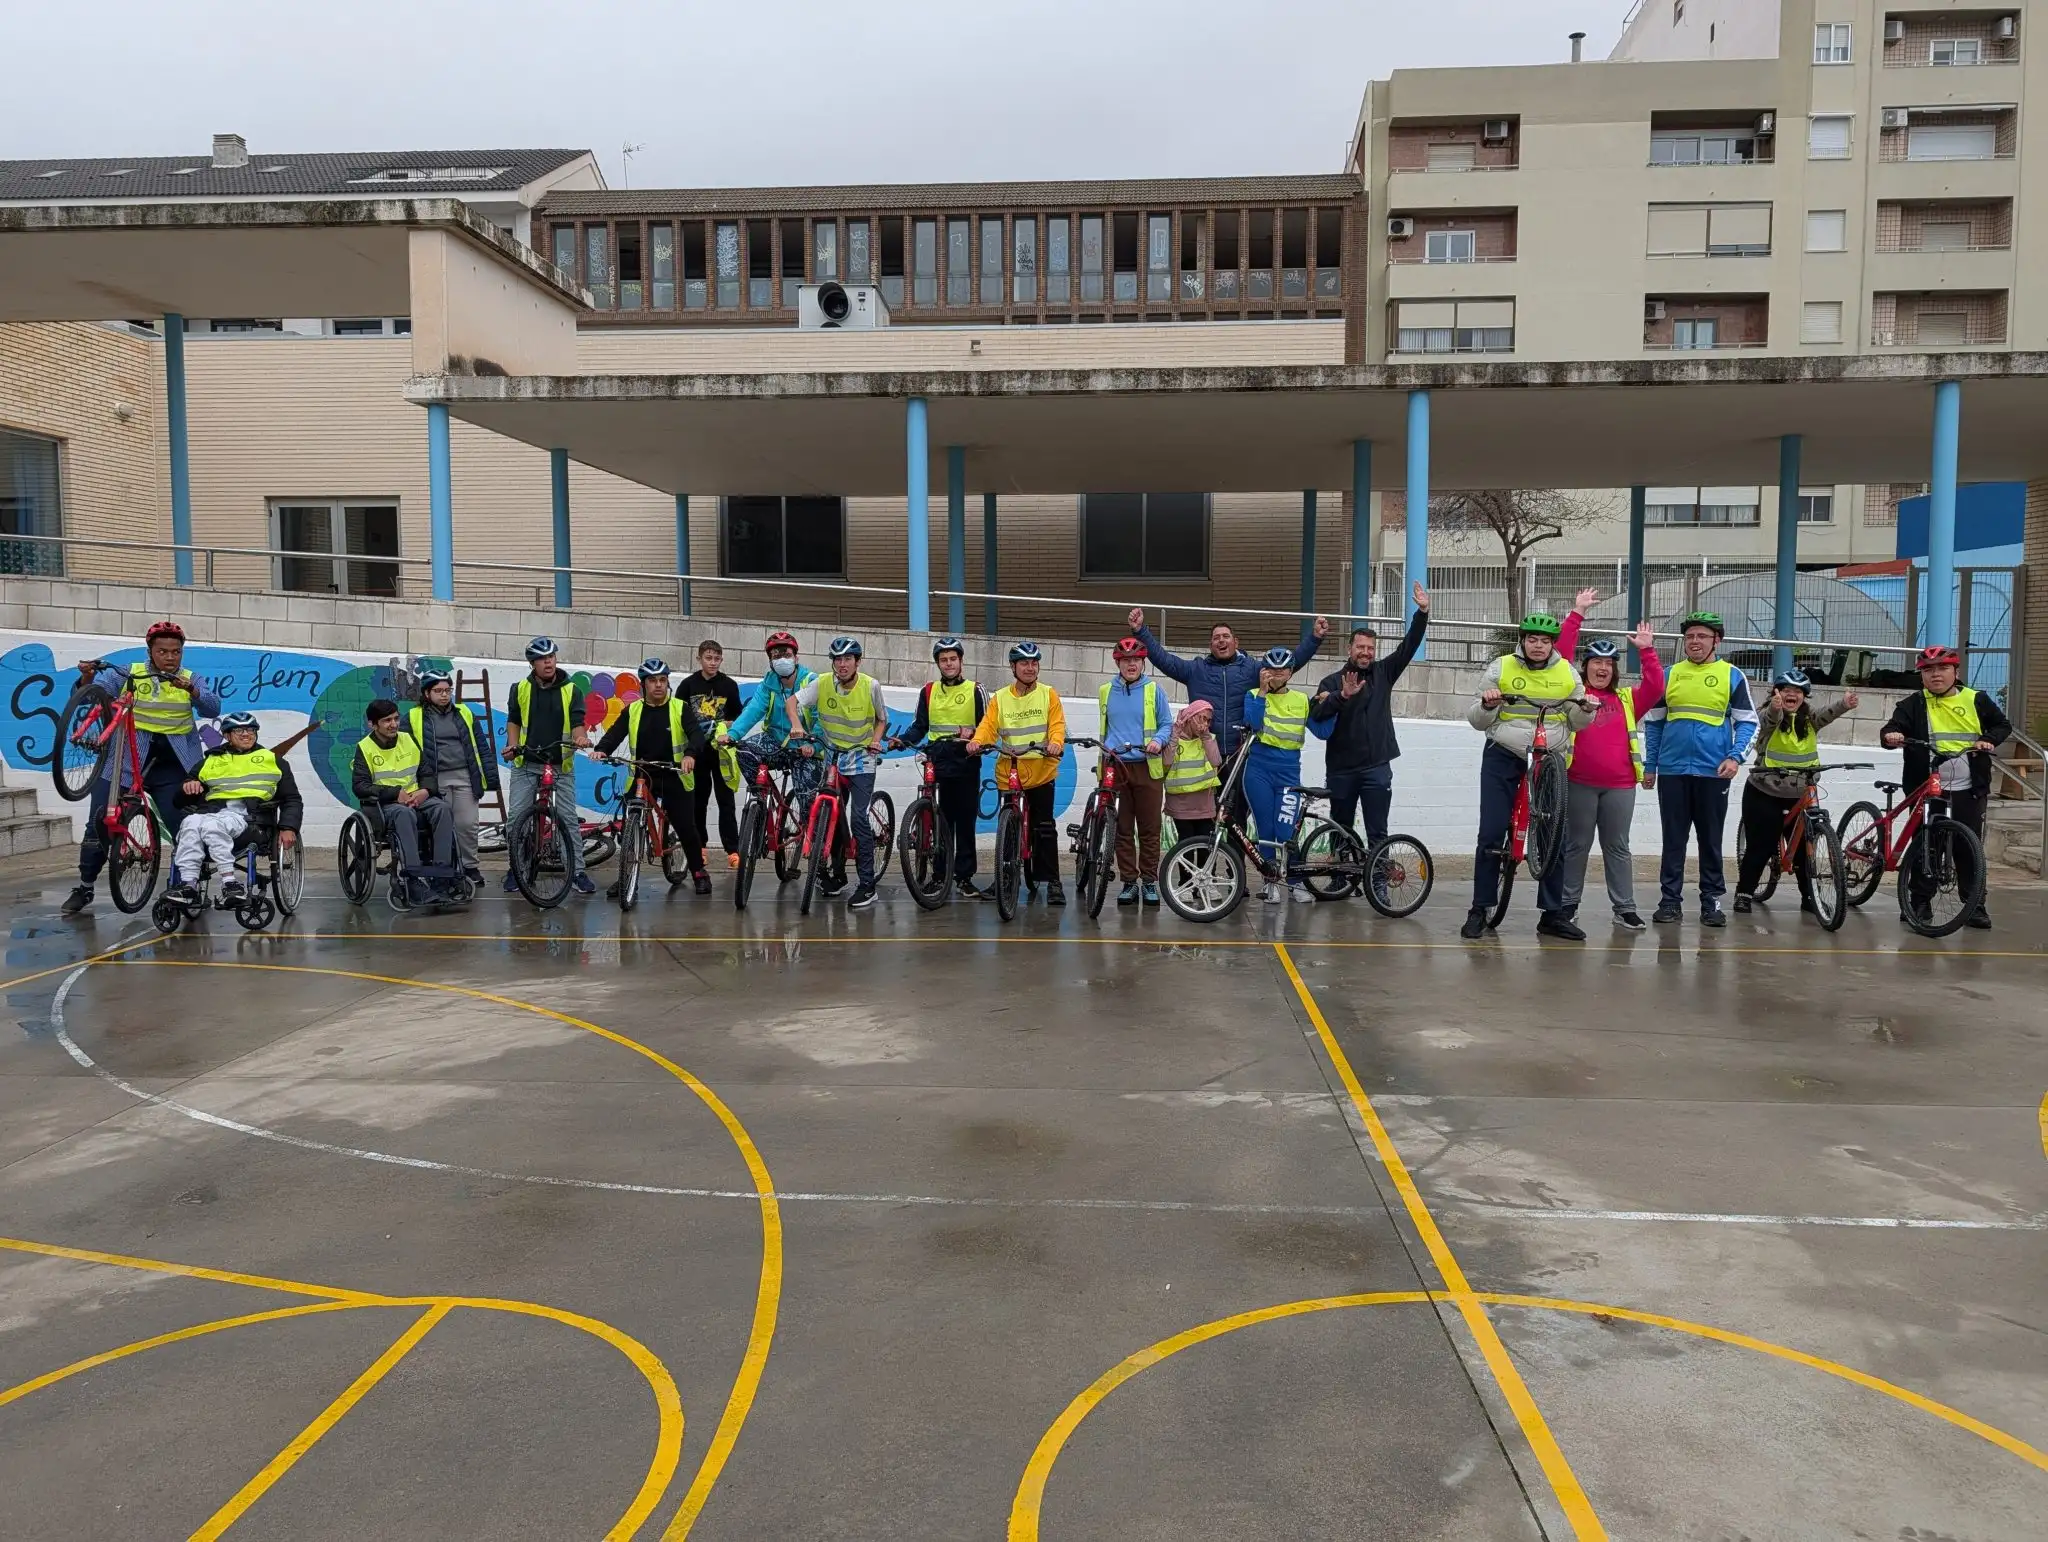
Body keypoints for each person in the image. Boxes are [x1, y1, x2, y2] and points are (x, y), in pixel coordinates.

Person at [63, 619, 223, 916]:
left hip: (172, 765)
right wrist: (86, 679)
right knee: (99, 821)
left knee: (185, 826)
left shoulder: (190, 678)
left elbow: (213, 707)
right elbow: (96, 692)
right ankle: (85, 887)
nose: (170, 657)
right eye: (163, 651)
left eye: (176, 651)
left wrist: (192, 691)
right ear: (150, 651)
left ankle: (188, 886)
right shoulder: (130, 673)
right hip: (124, 761)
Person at [1463, 613, 1599, 942]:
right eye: (1532, 639)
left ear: (1553, 644)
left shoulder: (1567, 672)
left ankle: (1552, 914)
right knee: (1491, 832)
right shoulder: (1501, 667)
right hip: (1504, 753)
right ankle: (1480, 908)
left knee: (1554, 836)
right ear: (1523, 641)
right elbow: (1477, 720)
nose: (1538, 646)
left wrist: (1587, 709)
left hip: (1548, 758)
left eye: (1545, 641)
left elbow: (1577, 721)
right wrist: (1488, 704)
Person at [1641, 611, 1758, 928]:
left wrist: (1735, 757)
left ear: (1716, 641)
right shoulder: (1669, 675)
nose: (1695, 641)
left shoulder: (1732, 675)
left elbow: (1748, 722)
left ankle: (1712, 902)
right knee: (1673, 840)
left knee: (1710, 840)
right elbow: (1654, 724)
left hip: (1713, 772)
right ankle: (1669, 901)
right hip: (1672, 771)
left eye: (1702, 636)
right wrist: (1650, 765)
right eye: (1690, 636)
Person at [1881, 644, 2010, 930]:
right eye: (1928, 670)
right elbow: (1891, 728)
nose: (1935, 675)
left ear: (1956, 672)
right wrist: (1892, 735)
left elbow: (2002, 725)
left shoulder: (1976, 699)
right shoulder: (1913, 703)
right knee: (1926, 846)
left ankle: (1974, 904)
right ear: (1921, 675)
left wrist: (1988, 739)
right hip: (1927, 788)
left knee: (1968, 846)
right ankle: (1919, 902)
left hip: (1969, 788)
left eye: (1942, 668)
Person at [1308, 583, 1430, 850]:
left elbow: (1409, 646)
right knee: (1340, 831)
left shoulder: (1384, 672)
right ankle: (1339, 873)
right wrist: (1341, 696)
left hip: (1376, 768)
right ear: (1349, 648)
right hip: (1341, 769)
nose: (1365, 652)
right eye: (1360, 647)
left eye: (1370, 648)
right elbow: (1316, 716)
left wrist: (1422, 613)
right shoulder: (1331, 682)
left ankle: (1379, 875)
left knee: (1378, 833)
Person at [1559, 622, 1663, 932]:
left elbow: (1656, 687)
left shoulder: (1628, 699)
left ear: (1614, 669)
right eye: (1596, 662)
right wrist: (1577, 616)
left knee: (1617, 847)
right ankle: (1567, 905)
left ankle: (1624, 908)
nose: (1602, 668)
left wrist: (1647, 650)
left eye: (1608, 663)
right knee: (1576, 846)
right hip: (1578, 782)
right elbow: (1561, 659)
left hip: (1619, 786)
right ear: (1585, 666)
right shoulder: (1573, 695)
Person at [1735, 669, 1860, 917]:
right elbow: (1767, 721)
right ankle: (1744, 894)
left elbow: (1826, 715)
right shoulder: (1765, 715)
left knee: (1805, 849)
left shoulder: (1809, 719)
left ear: (1804, 696)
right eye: (1786, 690)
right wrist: (1775, 708)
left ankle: (1809, 898)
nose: (1791, 694)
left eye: (1798, 691)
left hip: (1801, 791)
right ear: (1776, 692)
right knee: (1760, 846)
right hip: (1765, 789)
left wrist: (1844, 704)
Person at [1126, 608, 1328, 756]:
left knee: (1238, 803)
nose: (1221, 640)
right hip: (1204, 751)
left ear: (1235, 642)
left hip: (1241, 753)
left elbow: (1287, 664)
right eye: (1216, 638)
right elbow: (1164, 660)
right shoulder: (1195, 670)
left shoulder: (1252, 669)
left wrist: (1315, 638)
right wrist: (1140, 631)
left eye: (1226, 636)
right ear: (1210, 645)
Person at [788, 636, 890, 910]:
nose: (842, 664)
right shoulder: (822, 683)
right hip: (833, 756)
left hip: (862, 757)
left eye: (847, 659)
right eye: (837, 659)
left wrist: (876, 740)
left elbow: (882, 719)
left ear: (858, 662)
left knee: (858, 817)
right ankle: (838, 875)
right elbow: (791, 702)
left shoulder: (870, 686)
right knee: (830, 813)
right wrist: (796, 724)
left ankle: (867, 885)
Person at [595, 658, 712, 895]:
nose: (658, 685)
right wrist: (602, 749)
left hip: (674, 774)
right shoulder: (633, 710)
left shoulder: (680, 708)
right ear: (644, 684)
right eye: (652, 680)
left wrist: (690, 754)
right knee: (630, 826)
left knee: (685, 826)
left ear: (667, 682)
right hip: (643, 775)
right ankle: (627, 875)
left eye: (662, 680)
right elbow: (615, 733)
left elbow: (696, 735)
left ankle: (699, 872)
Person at [166, 711, 302, 905]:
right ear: (227, 735)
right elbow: (179, 801)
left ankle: (230, 883)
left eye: (251, 730)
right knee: (189, 823)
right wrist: (188, 789)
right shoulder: (209, 761)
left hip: (251, 822)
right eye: (239, 730)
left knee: (212, 826)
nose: (246, 734)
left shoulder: (274, 761)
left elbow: (292, 798)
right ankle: (189, 885)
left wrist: (288, 827)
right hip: (210, 814)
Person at [968, 641, 1068, 905]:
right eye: (1024, 663)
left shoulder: (1049, 694)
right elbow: (988, 726)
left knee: (1044, 827)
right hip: (1010, 771)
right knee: (1008, 829)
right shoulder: (1000, 698)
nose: (1030, 668)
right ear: (1013, 667)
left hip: (1041, 770)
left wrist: (1056, 742)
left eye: (1034, 663)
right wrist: (977, 741)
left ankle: (1053, 882)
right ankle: (1004, 878)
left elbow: (1057, 725)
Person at [501, 636, 594, 896]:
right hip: (526, 762)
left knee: (567, 819)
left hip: (560, 765)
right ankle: (516, 869)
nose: (548, 662)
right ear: (532, 664)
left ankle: (576, 872)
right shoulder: (519, 688)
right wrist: (512, 746)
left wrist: (580, 738)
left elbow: (577, 723)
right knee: (516, 819)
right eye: (542, 659)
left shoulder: (572, 690)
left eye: (551, 656)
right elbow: (514, 720)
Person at [899, 635, 989, 900]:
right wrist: (902, 740)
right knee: (940, 822)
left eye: (953, 659)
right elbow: (920, 727)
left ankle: (964, 878)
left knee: (965, 821)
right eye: (943, 660)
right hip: (938, 760)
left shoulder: (976, 690)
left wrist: (973, 735)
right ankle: (940, 876)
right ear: (938, 664)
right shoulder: (928, 691)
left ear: (961, 661)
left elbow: (987, 726)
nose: (948, 664)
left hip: (966, 762)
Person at [350, 697, 458, 905]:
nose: (394, 724)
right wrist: (394, 793)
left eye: (396, 719)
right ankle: (412, 879)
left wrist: (425, 790)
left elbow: (427, 772)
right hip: (385, 805)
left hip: (416, 797)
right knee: (404, 813)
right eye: (387, 720)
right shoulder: (365, 748)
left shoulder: (408, 739)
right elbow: (360, 786)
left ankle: (442, 877)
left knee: (443, 809)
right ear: (372, 724)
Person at [1099, 636, 1175, 906]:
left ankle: (1149, 881)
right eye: (1125, 660)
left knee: (1149, 828)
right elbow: (1105, 728)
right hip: (1116, 766)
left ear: (1143, 663)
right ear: (1118, 663)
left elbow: (1167, 724)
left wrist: (1158, 740)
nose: (1131, 665)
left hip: (1147, 765)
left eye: (1136, 660)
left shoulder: (1154, 690)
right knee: (1121, 828)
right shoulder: (1106, 691)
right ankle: (1129, 882)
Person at [406, 669, 499, 884]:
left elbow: (481, 745)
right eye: (438, 691)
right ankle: (444, 869)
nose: (444, 695)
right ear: (427, 693)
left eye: (447, 690)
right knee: (441, 826)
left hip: (465, 776)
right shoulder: (412, 716)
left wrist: (491, 777)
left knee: (467, 824)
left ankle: (469, 867)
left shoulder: (464, 712)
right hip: (434, 779)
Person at [1241, 646, 1315, 903]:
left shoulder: (1302, 700)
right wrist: (1262, 693)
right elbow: (1253, 725)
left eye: (1282, 669)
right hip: (1258, 770)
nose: (1276, 673)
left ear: (1291, 672)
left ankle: (1295, 881)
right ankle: (1270, 881)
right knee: (1266, 830)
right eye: (1271, 669)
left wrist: (1338, 700)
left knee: (1286, 832)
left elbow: (1323, 730)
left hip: (1288, 773)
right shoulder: (1253, 695)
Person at [731, 630, 821, 797]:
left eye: (787, 655)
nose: (782, 660)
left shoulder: (811, 681)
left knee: (807, 804)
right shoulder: (768, 683)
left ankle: (802, 811)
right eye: (776, 656)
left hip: (805, 747)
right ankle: (764, 800)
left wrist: (813, 746)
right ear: (771, 662)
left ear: (796, 658)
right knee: (744, 752)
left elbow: (821, 719)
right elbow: (753, 710)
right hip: (774, 741)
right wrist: (732, 734)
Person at [680, 639, 745, 868]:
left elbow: (739, 717)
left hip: (722, 753)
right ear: (699, 659)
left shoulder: (729, 685)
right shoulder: (688, 685)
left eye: (717, 658)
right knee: (698, 802)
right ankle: (700, 847)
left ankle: (733, 850)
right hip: (697, 752)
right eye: (708, 658)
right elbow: (678, 716)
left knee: (726, 801)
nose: (713, 662)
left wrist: (727, 725)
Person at [1162, 700, 1223, 842]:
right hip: (1180, 805)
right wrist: (1174, 736)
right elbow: (1166, 761)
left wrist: (1205, 737)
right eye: (1202, 718)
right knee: (1185, 843)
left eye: (1208, 721)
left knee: (1205, 844)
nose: (1205, 724)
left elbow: (1216, 761)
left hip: (1204, 805)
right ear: (1190, 717)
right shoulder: (1174, 737)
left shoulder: (1208, 738)